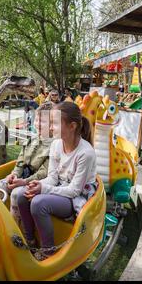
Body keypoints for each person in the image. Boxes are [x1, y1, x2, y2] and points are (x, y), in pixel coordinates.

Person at [17, 102, 98, 261]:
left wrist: (43, 189)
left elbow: (74, 191)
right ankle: (30, 241)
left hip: (76, 197)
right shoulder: (56, 145)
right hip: (61, 189)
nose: (51, 127)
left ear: (72, 126)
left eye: (54, 123)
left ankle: (48, 251)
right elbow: (53, 178)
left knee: (39, 203)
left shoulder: (86, 153)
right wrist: (37, 185)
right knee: (22, 194)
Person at [0, 102, 54, 229]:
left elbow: (44, 172)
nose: (38, 124)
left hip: (38, 183)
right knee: (1, 184)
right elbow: (20, 162)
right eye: (37, 119)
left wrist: (24, 181)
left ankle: (16, 233)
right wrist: (14, 174)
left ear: (52, 125)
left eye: (43, 121)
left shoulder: (54, 146)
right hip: (22, 178)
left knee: (17, 193)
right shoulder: (31, 140)